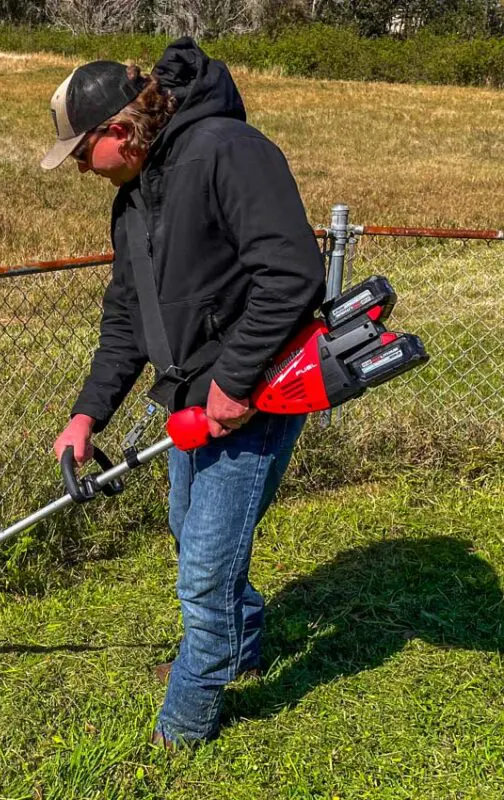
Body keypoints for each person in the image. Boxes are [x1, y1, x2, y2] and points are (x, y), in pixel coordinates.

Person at [40, 37, 326, 748]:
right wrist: (87, 414)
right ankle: (237, 641)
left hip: (255, 398)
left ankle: (186, 720)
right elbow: (125, 317)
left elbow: (291, 273)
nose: (80, 167)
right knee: (190, 533)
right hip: (189, 404)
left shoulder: (228, 150)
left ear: (116, 130)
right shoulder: (135, 196)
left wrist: (234, 383)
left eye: (81, 151)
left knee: (204, 569)